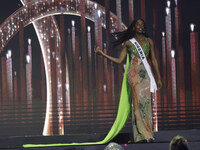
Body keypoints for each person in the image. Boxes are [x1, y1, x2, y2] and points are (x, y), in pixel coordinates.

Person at [94, 18, 162, 143]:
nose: (140, 26)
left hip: (146, 76)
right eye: (137, 25)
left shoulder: (149, 41)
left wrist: (158, 77)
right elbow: (120, 61)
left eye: (142, 24)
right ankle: (141, 135)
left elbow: (154, 60)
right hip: (134, 76)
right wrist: (102, 54)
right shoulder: (128, 43)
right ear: (134, 27)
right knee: (137, 104)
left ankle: (146, 134)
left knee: (145, 104)